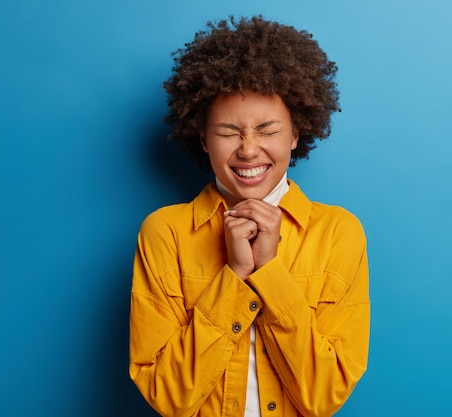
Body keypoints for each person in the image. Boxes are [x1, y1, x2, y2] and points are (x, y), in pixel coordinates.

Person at [129, 16, 370, 417]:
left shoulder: (338, 233)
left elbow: (323, 396)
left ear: (295, 134)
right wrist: (235, 276)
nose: (248, 149)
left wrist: (269, 272)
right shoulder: (164, 233)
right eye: (227, 132)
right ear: (203, 138)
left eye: (267, 130)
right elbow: (169, 398)